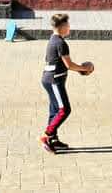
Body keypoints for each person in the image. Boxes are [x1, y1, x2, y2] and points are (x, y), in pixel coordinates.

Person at [39, 13, 94, 154]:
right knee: (64, 110)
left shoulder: (53, 39)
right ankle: (47, 136)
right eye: (68, 25)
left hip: (50, 79)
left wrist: (79, 69)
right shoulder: (61, 43)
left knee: (55, 110)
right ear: (62, 27)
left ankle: (54, 139)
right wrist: (84, 69)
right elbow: (69, 65)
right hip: (54, 80)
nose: (69, 27)